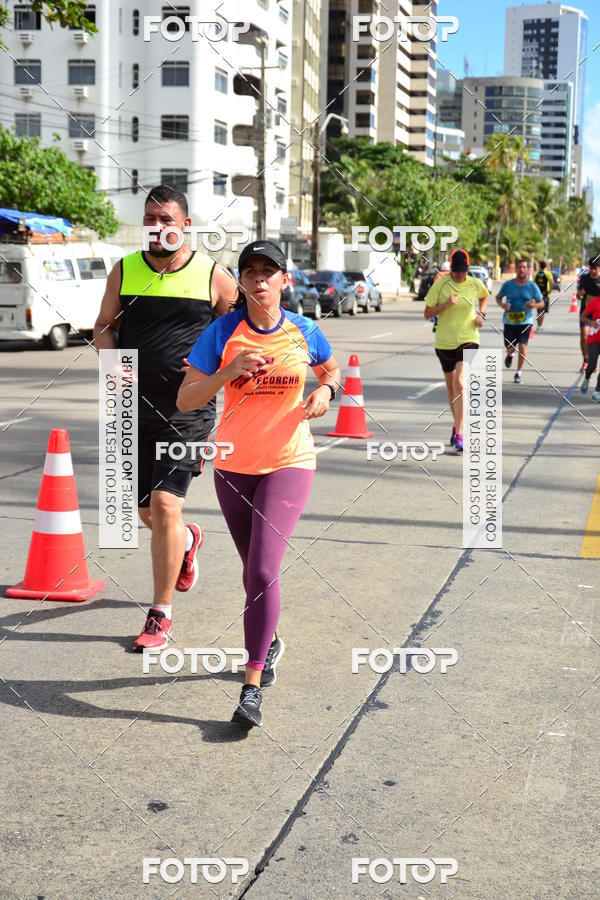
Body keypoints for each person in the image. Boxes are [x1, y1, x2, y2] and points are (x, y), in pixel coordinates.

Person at [177, 240, 341, 728]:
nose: (260, 280)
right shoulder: (222, 332)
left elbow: (331, 368)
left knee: (265, 568)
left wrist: (326, 391)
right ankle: (268, 639)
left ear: (285, 281)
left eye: (270, 272)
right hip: (232, 466)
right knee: (253, 570)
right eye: (251, 272)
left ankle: (251, 687)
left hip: (289, 462)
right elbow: (187, 399)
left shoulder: (304, 331)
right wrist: (228, 371)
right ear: (242, 282)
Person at [93, 184, 237, 651]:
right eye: (151, 219)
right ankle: (188, 543)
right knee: (142, 510)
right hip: (130, 407)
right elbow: (103, 326)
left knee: (165, 506)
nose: (158, 228)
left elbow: (239, 327)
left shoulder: (212, 275)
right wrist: (114, 367)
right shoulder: (125, 269)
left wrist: (214, 365)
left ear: (185, 225)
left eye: (167, 220)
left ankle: (160, 614)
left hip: (187, 409)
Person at [424, 248, 488, 451]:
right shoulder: (441, 284)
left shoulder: (475, 283)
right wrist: (445, 305)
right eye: (456, 271)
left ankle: (460, 434)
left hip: (468, 338)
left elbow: (484, 296)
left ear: (467, 269)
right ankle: (457, 424)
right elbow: (427, 313)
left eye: (463, 271)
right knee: (451, 388)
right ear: (451, 268)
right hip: (444, 342)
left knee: (460, 382)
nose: (460, 274)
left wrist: (481, 314)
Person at [496, 259, 544, 384]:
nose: (522, 269)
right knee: (511, 348)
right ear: (516, 269)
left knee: (522, 347)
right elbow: (498, 297)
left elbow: (542, 303)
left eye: (524, 267)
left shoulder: (532, 286)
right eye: (519, 267)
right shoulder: (508, 285)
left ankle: (518, 373)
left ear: (528, 270)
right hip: (509, 321)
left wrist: (533, 306)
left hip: (525, 321)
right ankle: (510, 354)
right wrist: (503, 305)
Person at [577, 256, 600, 372]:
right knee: (584, 336)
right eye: (591, 268)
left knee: (596, 340)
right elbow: (578, 295)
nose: (593, 271)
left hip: (598, 315)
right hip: (586, 312)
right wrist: (580, 294)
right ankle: (586, 360)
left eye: (596, 268)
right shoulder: (584, 278)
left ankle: (593, 361)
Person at [580, 292, 600, 400]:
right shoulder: (595, 302)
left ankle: (597, 391)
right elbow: (582, 317)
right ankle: (587, 378)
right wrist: (591, 322)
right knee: (592, 366)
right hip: (594, 339)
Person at [534, 260, 553, 330]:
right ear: (545, 266)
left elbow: (533, 284)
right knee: (542, 311)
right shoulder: (548, 274)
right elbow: (552, 282)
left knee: (538, 310)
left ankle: (538, 325)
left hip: (537, 295)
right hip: (545, 295)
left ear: (539, 266)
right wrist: (550, 291)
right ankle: (539, 326)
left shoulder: (536, 274)